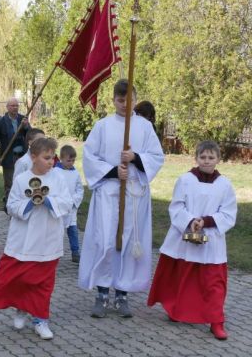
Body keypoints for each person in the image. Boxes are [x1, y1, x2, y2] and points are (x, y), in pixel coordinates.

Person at [78, 79, 164, 319]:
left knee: (128, 242)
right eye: (120, 100)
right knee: (107, 240)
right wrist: (114, 171)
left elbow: (156, 156)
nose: (125, 105)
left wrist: (135, 157)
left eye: (130, 100)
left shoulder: (144, 127)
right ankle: (102, 293)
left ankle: (122, 294)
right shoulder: (103, 126)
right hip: (109, 192)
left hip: (134, 194)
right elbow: (90, 157)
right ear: (113, 100)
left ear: (136, 100)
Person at [148, 141, 236, 341]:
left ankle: (216, 321)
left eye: (211, 158)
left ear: (218, 160)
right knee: (181, 275)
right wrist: (191, 221)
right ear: (196, 158)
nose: (206, 161)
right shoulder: (185, 180)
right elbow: (177, 207)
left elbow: (229, 213)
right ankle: (176, 310)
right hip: (184, 235)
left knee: (214, 282)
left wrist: (205, 221)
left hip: (212, 239)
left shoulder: (225, 184)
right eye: (203, 157)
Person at [0, 137, 73, 340]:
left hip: (47, 238)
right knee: (16, 277)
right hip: (24, 238)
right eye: (46, 158)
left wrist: (47, 201)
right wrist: (29, 204)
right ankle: (21, 307)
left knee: (43, 283)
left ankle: (41, 319)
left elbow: (67, 202)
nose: (51, 162)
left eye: (53, 158)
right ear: (33, 157)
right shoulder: (21, 179)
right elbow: (11, 205)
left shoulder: (58, 178)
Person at [0, 97, 31, 209]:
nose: (15, 108)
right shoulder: (0, 123)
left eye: (16, 105)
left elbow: (31, 135)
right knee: (9, 183)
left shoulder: (23, 119)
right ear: (7, 107)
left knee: (23, 181)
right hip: (8, 157)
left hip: (22, 157)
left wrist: (26, 126)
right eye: (12, 106)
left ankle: (21, 205)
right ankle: (9, 207)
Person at [54, 145, 84, 263]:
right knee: (57, 231)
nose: (71, 163)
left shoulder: (75, 173)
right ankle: (54, 252)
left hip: (71, 208)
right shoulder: (55, 172)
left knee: (73, 230)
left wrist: (74, 201)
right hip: (59, 207)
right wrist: (60, 201)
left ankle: (75, 252)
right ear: (61, 158)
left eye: (73, 160)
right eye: (68, 160)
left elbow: (79, 189)